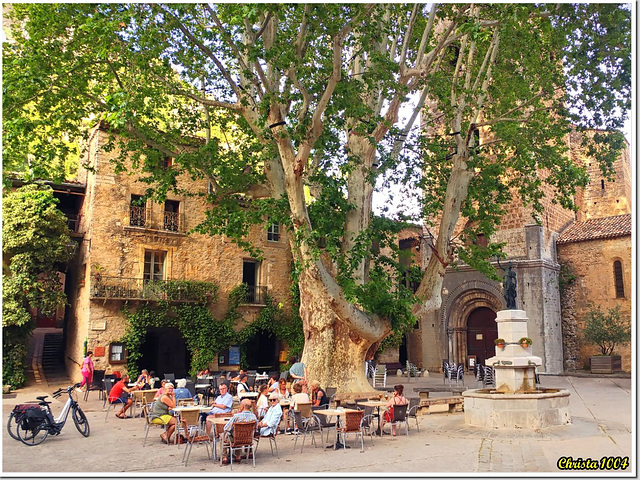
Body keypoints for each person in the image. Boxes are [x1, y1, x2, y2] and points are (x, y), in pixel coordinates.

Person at [221, 398, 257, 465]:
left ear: (242, 406)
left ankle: (224, 457)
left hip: (236, 439)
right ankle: (238, 456)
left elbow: (226, 428)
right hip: (248, 440)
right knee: (236, 434)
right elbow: (256, 428)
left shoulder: (236, 416)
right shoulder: (254, 417)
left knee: (225, 435)